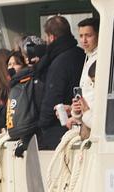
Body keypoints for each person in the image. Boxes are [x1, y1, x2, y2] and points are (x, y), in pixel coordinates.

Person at [33, 16, 86, 149]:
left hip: (58, 128)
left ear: (51, 37)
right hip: (80, 120)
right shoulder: (82, 55)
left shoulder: (58, 62)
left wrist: (42, 124)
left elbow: (53, 96)